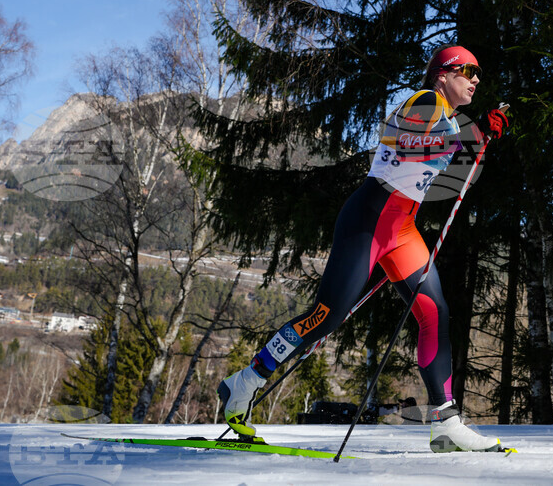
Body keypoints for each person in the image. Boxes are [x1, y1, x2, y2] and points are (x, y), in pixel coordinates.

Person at [217, 45, 510, 453]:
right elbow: (408, 142)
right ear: (443, 75)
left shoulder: (446, 115)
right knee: (324, 318)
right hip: (368, 222)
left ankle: (446, 421)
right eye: (468, 70)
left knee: (434, 313)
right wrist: (472, 133)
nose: (476, 78)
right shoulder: (425, 102)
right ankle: (244, 382)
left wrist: (476, 136)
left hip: (402, 228)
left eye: (479, 71)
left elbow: (439, 162)